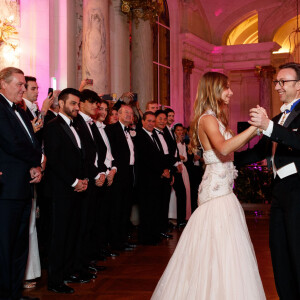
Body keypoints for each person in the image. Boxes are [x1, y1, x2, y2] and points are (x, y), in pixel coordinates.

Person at [151, 72, 266, 299]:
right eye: (226, 87)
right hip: (216, 194)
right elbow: (223, 149)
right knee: (215, 248)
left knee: (226, 250)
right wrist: (254, 127)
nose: (231, 92)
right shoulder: (207, 118)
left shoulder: (216, 117)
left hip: (224, 191)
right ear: (213, 89)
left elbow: (230, 152)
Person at [236, 62, 300, 300]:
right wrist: (224, 158)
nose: (278, 87)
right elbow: (259, 152)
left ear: (299, 85)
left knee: (297, 252)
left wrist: (268, 126)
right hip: (279, 192)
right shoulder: (277, 118)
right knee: (280, 252)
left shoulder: (275, 122)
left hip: (297, 191)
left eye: (284, 82)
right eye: (277, 82)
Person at [0, 67, 42, 300]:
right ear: (3, 84)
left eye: (24, 85)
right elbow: (12, 143)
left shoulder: (21, 111)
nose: (23, 89)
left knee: (19, 245)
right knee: (5, 246)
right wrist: (38, 160)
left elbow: (32, 141)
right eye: (19, 84)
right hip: (6, 188)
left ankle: (15, 292)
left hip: (23, 184)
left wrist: (34, 166)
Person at [44, 88, 89, 294]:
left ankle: (68, 271)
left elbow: (81, 157)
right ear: (60, 104)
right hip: (61, 189)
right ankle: (54, 280)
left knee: (72, 232)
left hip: (77, 187)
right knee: (59, 235)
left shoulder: (77, 125)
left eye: (78, 104)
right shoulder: (53, 127)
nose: (76, 107)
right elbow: (54, 160)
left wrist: (84, 179)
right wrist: (73, 182)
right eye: (72, 103)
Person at [135, 112, 171, 245]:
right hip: (146, 179)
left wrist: (166, 170)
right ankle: (146, 238)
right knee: (146, 209)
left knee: (155, 208)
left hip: (157, 178)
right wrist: (161, 171)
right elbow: (145, 159)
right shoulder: (140, 136)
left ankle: (154, 235)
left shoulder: (154, 135)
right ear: (143, 122)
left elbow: (160, 155)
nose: (151, 123)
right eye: (148, 121)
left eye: (152, 121)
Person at [163, 108, 186, 227]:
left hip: (176, 165)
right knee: (174, 193)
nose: (171, 118)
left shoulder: (170, 130)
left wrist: (178, 162)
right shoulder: (165, 131)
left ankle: (181, 219)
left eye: (173, 116)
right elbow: (168, 151)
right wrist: (176, 163)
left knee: (182, 192)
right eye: (169, 116)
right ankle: (173, 220)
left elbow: (175, 150)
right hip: (171, 166)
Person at [173, 123, 191, 220]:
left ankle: (184, 216)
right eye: (178, 130)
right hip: (175, 167)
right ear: (174, 131)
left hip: (183, 168)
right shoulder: (173, 142)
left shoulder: (183, 143)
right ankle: (174, 216)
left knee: (185, 191)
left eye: (181, 130)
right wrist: (180, 157)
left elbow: (185, 158)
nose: (180, 132)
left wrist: (181, 157)